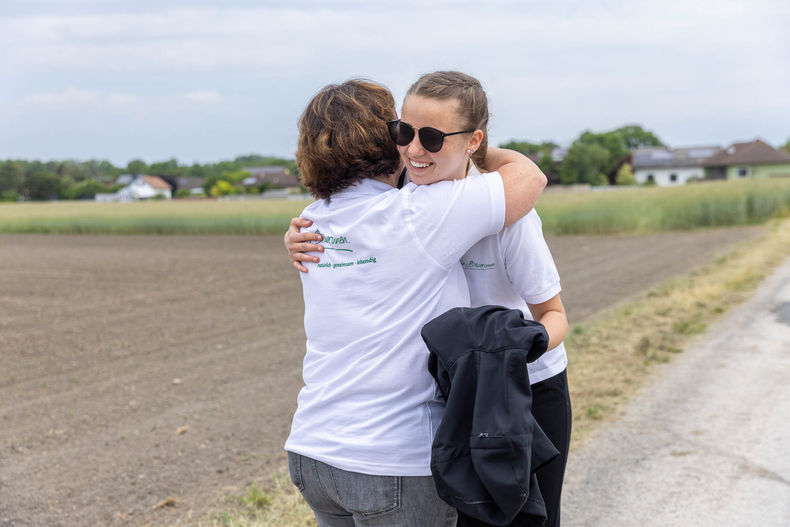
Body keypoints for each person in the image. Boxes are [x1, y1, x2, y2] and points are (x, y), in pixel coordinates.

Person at [287, 71, 571, 527]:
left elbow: (552, 311)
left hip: (316, 449)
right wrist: (456, 145)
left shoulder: (313, 221)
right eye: (402, 133)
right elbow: (528, 174)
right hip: (401, 446)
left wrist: (467, 147)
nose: (415, 147)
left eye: (432, 136)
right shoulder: (414, 211)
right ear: (386, 143)